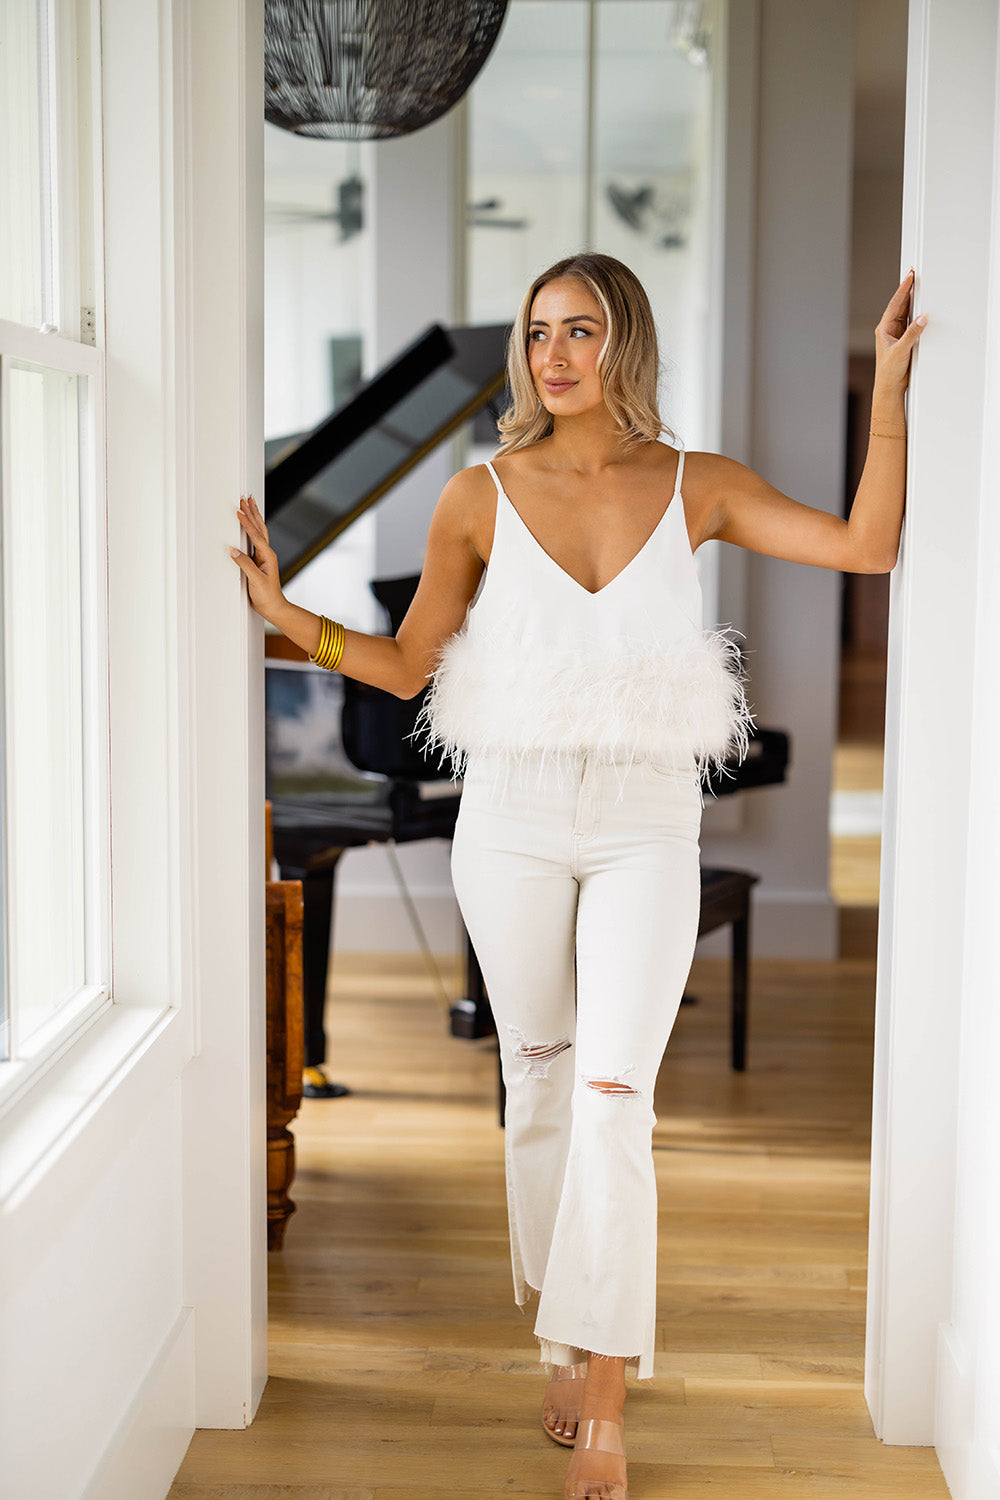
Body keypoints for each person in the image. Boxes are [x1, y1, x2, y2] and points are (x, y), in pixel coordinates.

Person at [232, 252, 924, 1500]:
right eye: (539, 333)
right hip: (508, 817)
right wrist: (293, 621)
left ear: (626, 344)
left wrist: (885, 386)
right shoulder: (476, 495)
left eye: (581, 330)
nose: (553, 356)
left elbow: (868, 546)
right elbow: (407, 671)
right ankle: (561, 1326)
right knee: (540, 1090)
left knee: (615, 1100)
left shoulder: (695, 486)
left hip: (646, 823)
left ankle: (604, 1394)